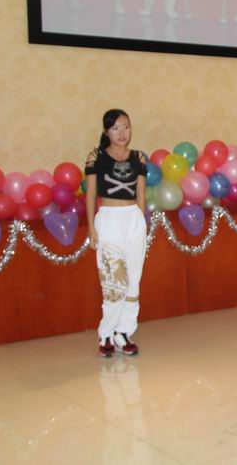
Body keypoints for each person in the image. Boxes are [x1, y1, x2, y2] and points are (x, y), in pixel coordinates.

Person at [85, 109, 148, 357]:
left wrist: (140, 222)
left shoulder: (138, 157)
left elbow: (140, 193)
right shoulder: (96, 157)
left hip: (133, 219)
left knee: (133, 280)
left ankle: (124, 332)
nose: (122, 133)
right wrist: (91, 228)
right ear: (106, 131)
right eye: (115, 128)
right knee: (114, 281)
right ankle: (107, 334)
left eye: (126, 127)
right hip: (109, 220)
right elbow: (91, 194)